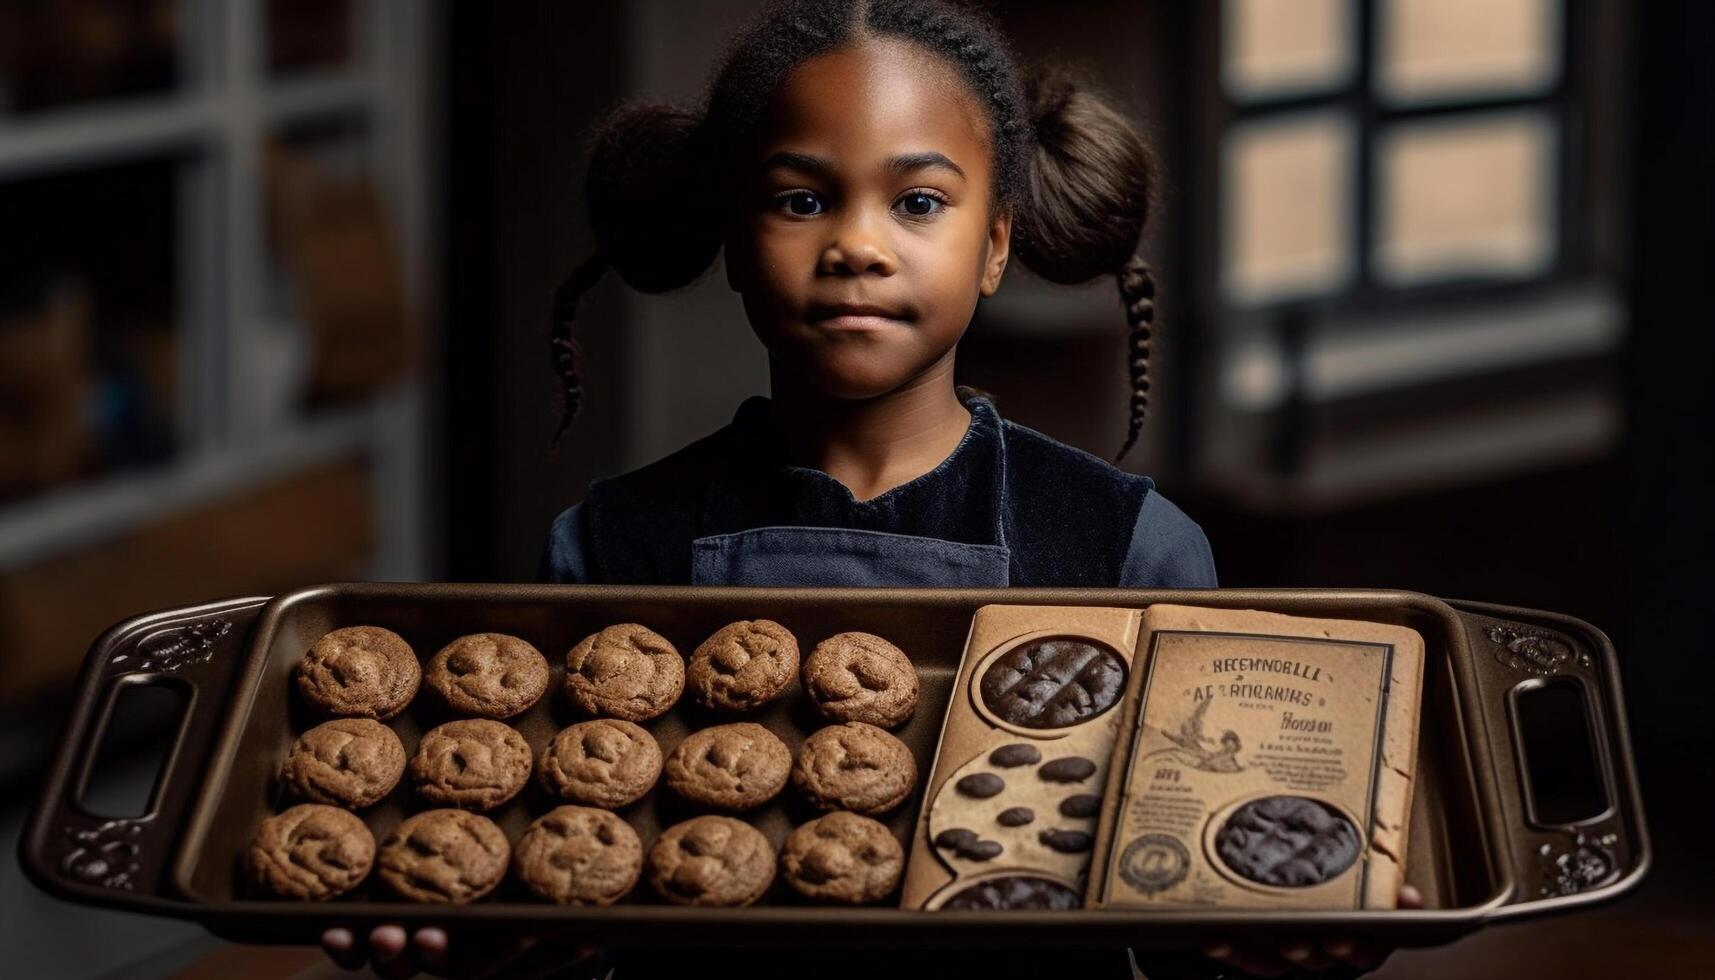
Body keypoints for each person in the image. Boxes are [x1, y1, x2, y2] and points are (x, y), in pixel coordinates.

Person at [322, 0, 1418, 975]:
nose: (855, 244)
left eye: (918, 202)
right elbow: (570, 878)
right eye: (800, 201)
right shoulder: (609, 545)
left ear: (995, 245)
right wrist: (491, 949)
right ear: (733, 245)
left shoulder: (1132, 547)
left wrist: (1279, 946)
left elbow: (1183, 899)